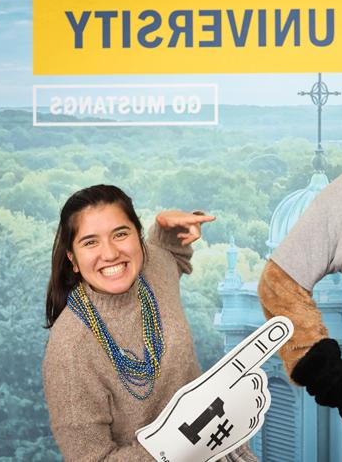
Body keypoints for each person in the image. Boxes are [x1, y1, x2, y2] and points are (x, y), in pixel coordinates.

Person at [42, 184, 256, 461]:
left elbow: (169, 254)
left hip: (227, 450)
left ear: (138, 238)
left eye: (120, 234)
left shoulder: (152, 269)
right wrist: (181, 443)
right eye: (90, 242)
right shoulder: (69, 352)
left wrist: (166, 230)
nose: (109, 254)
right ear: (72, 258)